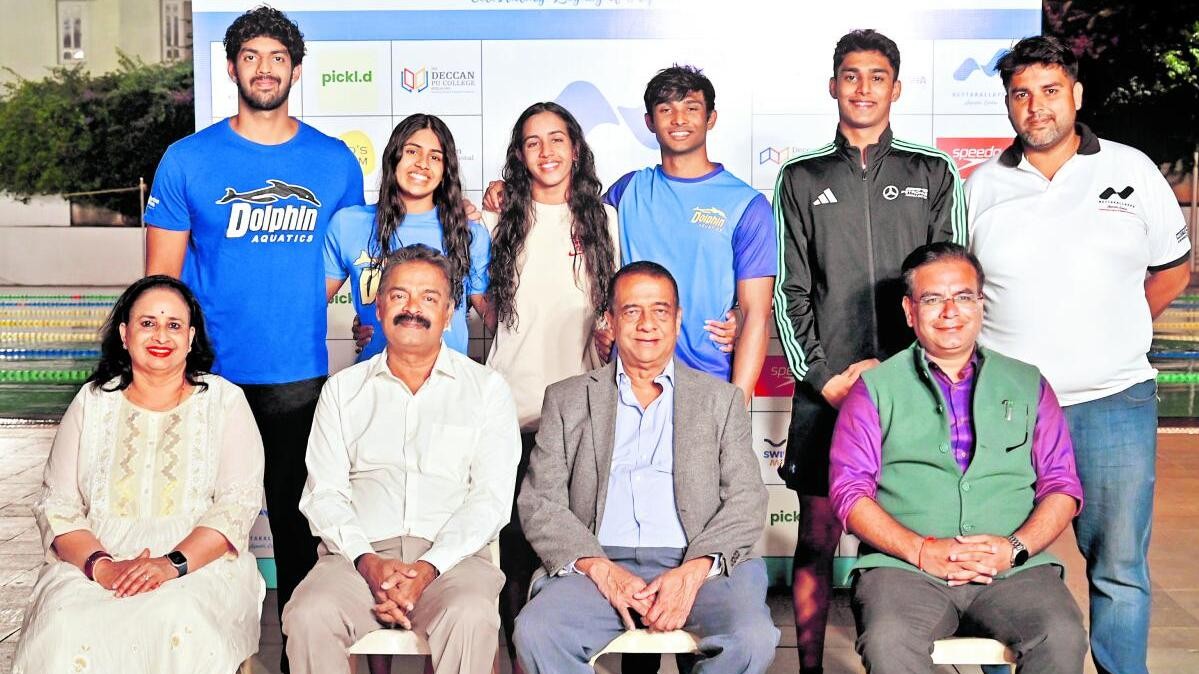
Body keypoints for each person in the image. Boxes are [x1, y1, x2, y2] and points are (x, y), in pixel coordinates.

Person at [142, 8, 364, 662]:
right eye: (250, 56)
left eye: (276, 57)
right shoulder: (188, 160)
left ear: (295, 69)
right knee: (197, 529)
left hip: (298, 377)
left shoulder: (332, 162)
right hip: (209, 380)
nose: (264, 68)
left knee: (299, 534)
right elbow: (160, 282)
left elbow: (342, 262)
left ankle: (303, 659)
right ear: (232, 66)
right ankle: (201, 655)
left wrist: (288, 302)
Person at [965, 36, 1192, 674]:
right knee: (1002, 563)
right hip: (1009, 410)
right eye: (1021, 94)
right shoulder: (979, 187)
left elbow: (1173, 272)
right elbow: (957, 292)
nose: (1036, 107)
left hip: (1114, 402)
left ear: (1076, 96)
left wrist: (1114, 329)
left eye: (1050, 91)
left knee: (1119, 566)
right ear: (1008, 105)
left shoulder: (1132, 169)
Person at [771, 29, 967, 674]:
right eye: (850, 75)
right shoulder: (799, 178)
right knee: (818, 541)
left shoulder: (932, 173)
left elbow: (949, 286)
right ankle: (808, 669)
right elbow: (789, 289)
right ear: (833, 85)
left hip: (919, 392)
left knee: (925, 537)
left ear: (896, 88)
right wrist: (825, 378)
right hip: (829, 396)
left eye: (876, 76)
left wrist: (909, 372)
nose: (862, 88)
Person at [829, 242, 1087, 674]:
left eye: (963, 297)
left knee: (1061, 635)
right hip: (904, 570)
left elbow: (1061, 485)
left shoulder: (1028, 383)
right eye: (933, 299)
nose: (950, 311)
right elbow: (848, 492)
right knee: (889, 640)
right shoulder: (874, 389)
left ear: (980, 305)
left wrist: (1015, 547)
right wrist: (920, 550)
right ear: (910, 312)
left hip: (1014, 571)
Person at [513, 261, 779, 674]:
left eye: (660, 310)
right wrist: (601, 570)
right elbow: (539, 502)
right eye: (632, 311)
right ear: (611, 321)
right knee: (536, 632)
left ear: (677, 320)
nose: (647, 324)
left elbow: (746, 498)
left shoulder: (719, 400)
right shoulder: (567, 399)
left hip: (698, 563)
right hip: (597, 564)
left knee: (751, 639)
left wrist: (693, 571)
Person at [282, 244, 520, 674]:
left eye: (429, 298)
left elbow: (491, 498)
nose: (414, 308)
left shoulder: (487, 391)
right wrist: (368, 562)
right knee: (309, 614)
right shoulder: (342, 391)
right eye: (399, 295)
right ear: (378, 304)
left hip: (453, 560)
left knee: (471, 615)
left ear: (449, 313)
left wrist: (429, 567)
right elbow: (325, 494)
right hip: (357, 557)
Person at [13, 276, 265, 674]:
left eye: (173, 325)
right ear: (125, 334)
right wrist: (103, 566)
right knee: (63, 625)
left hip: (195, 563)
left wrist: (170, 565)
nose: (161, 335)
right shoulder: (93, 402)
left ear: (191, 336)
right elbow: (57, 503)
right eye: (147, 323)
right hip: (97, 558)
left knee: (176, 618)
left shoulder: (224, 402)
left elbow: (238, 505)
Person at [484, 66, 766, 403]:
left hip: (707, 385)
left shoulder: (747, 204)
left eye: (691, 108)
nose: (678, 119)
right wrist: (508, 190)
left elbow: (757, 314)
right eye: (665, 110)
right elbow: (558, 214)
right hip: (625, 389)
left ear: (711, 118)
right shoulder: (626, 192)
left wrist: (738, 402)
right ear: (649, 122)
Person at [483, 101, 619, 667]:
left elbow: (618, 305)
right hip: (512, 408)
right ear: (519, 154)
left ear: (577, 148)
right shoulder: (495, 219)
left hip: (584, 409)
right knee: (517, 551)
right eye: (533, 142)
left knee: (582, 546)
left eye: (557, 139)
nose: (547, 152)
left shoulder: (604, 220)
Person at [325, 113, 492, 361]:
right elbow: (309, 306)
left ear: (446, 170)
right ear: (394, 156)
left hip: (450, 386)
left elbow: (494, 316)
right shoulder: (349, 224)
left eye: (435, 157)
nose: (423, 163)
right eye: (412, 151)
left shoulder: (469, 234)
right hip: (378, 381)